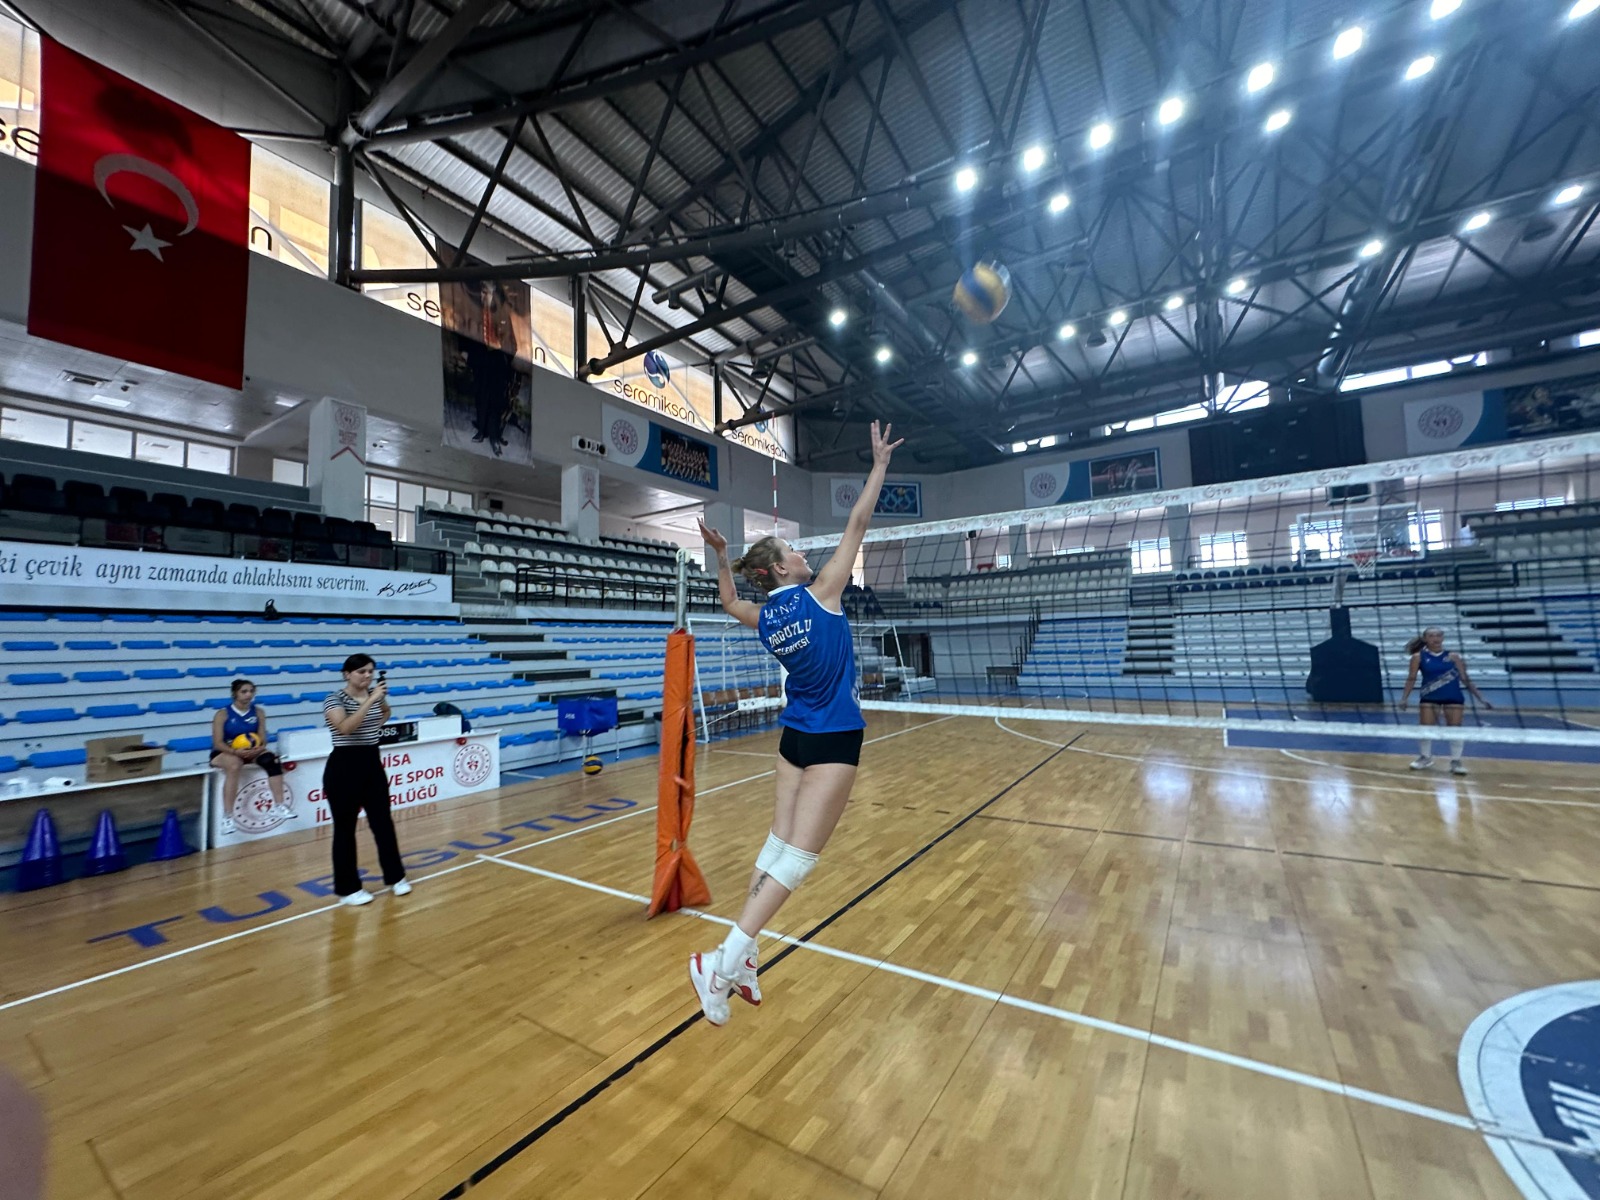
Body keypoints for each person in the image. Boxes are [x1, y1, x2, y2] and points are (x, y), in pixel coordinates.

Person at [688, 420, 903, 1025]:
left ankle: (746, 955)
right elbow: (859, 524)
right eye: (795, 551)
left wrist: (722, 558)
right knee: (799, 860)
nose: (805, 554)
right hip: (833, 735)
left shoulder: (763, 615)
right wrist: (879, 465)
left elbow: (728, 602)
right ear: (783, 569)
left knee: (778, 844)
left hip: (794, 738)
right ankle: (723, 960)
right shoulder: (823, 593)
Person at [322, 654, 409, 906]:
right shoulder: (334, 698)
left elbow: (384, 713)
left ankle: (396, 876)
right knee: (345, 829)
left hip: (371, 762)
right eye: (361, 672)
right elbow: (345, 728)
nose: (368, 676)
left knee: (383, 823)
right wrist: (371, 700)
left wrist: (378, 704)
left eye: (370, 671)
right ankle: (348, 888)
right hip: (343, 765)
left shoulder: (374, 696)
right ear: (347, 674)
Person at [1399, 626, 1493, 776]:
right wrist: (1404, 698)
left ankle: (1456, 761)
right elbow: (1411, 678)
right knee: (1425, 728)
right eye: (1431, 636)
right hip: (1430, 697)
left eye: (1438, 635)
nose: (1435, 638)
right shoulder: (1418, 657)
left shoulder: (1454, 656)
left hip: (1453, 696)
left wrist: (1481, 699)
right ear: (1425, 639)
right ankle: (1425, 757)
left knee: (1454, 729)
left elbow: (1465, 679)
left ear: (1442, 638)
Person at [211, 679, 291, 834]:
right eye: (244, 691)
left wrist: (258, 749)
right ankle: (228, 816)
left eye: (251, 691)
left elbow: (263, 738)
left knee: (272, 760)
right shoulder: (222, 714)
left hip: (251, 750)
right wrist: (235, 752)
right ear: (235, 693)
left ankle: (279, 806)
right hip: (226, 751)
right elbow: (217, 742)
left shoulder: (259, 712)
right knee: (234, 765)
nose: (248, 695)